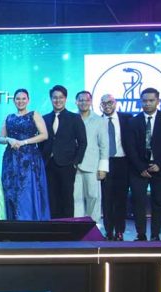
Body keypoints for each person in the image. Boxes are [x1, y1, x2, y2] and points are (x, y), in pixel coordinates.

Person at [124, 88, 161, 241]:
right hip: (138, 169)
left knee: (159, 202)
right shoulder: (133, 121)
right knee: (138, 202)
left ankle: (155, 234)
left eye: (151, 100)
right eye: (144, 101)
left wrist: (160, 163)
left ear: (158, 101)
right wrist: (140, 167)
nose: (147, 103)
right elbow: (130, 147)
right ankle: (140, 234)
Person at [0, 88, 50, 220]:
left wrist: (24, 142)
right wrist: (9, 139)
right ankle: (13, 222)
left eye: (23, 99)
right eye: (18, 99)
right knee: (11, 190)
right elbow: (0, 138)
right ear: (14, 100)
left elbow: (44, 135)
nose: (20, 101)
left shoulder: (34, 115)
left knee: (28, 190)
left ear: (28, 100)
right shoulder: (9, 117)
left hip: (29, 158)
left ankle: (29, 220)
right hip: (11, 159)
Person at [41, 85, 87, 219]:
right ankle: (53, 227)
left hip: (67, 165)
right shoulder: (45, 118)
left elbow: (83, 142)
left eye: (60, 97)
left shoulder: (74, 118)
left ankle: (67, 227)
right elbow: (41, 143)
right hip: (48, 164)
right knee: (51, 198)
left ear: (65, 99)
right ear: (51, 99)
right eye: (55, 97)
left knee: (66, 198)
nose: (58, 100)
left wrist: (75, 162)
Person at [100, 94, 134, 241]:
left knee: (121, 199)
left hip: (123, 162)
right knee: (106, 199)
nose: (107, 105)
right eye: (104, 103)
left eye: (110, 102)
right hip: (104, 163)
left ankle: (120, 231)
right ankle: (108, 231)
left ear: (115, 103)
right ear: (100, 105)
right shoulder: (97, 120)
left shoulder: (127, 118)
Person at [73, 91, 109, 222]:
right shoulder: (71, 118)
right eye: (81, 100)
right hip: (73, 164)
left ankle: (92, 225)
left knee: (93, 196)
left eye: (86, 100)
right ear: (76, 102)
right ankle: (77, 226)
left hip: (92, 164)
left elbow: (104, 145)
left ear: (91, 102)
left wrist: (103, 168)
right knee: (75, 198)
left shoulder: (99, 120)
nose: (83, 102)